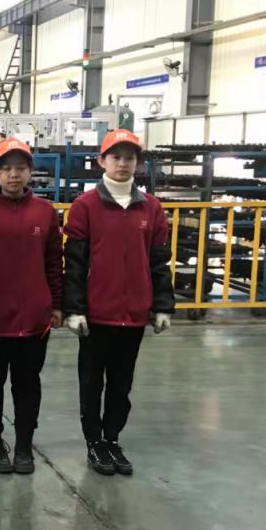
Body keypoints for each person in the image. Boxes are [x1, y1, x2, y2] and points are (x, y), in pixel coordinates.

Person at [63, 129, 174, 476]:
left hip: (134, 315)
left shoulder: (151, 208)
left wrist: (162, 305)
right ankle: (94, 441)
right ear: (102, 161)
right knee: (91, 383)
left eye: (129, 158)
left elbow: (159, 261)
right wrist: (74, 308)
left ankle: (112, 438)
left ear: (137, 163)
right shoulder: (85, 207)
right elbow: (75, 263)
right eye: (116, 157)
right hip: (96, 315)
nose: (123, 163)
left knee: (121, 385)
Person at [0, 138, 63, 475]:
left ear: (30, 172)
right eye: (6, 169)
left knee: (27, 385)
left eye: (20, 168)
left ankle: (23, 445)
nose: (14, 175)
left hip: (34, 319)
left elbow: (54, 262)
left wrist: (56, 304)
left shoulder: (45, 213)